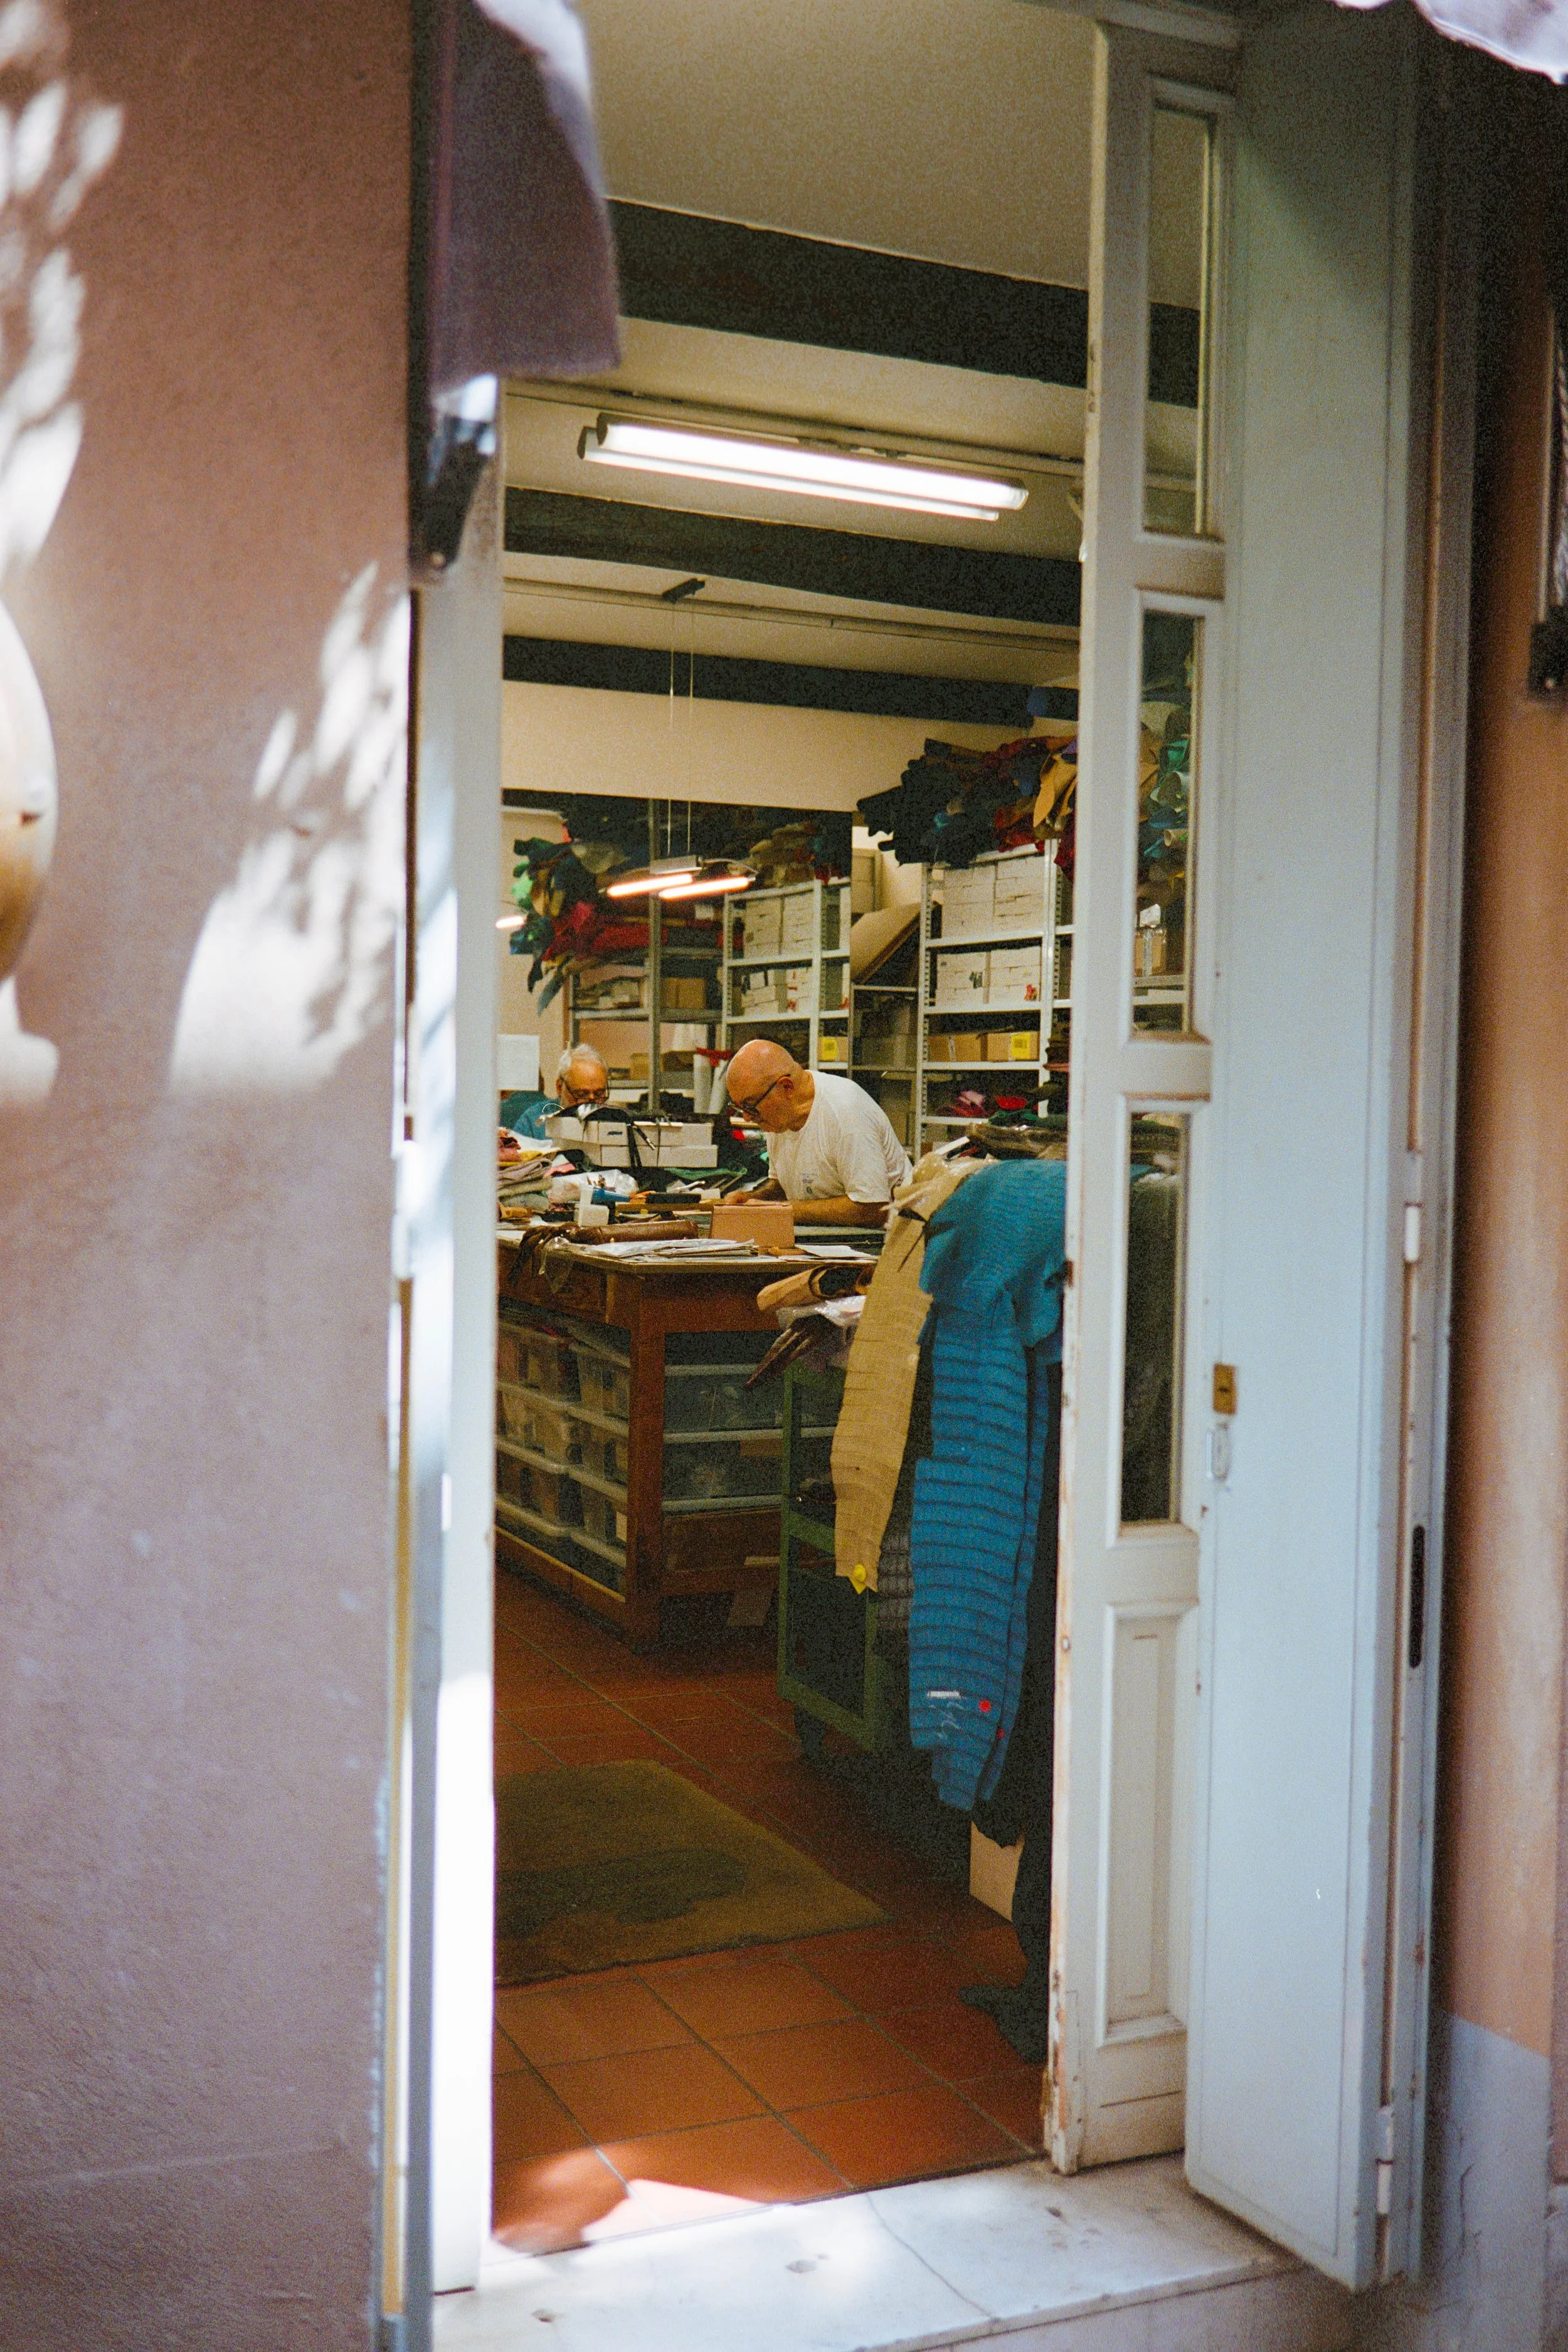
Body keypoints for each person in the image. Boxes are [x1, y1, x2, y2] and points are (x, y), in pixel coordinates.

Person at [725, 1037, 911, 1227]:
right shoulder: (778, 1116)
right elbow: (785, 1187)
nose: (747, 1117)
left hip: (885, 1240)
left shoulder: (846, 1111)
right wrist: (752, 1200)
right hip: (829, 1237)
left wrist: (778, 1211)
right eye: (740, 1107)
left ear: (786, 1087)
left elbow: (872, 1210)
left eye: (750, 1106)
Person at [499, 1042, 610, 1142]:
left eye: (599, 1094)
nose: (590, 1104)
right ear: (559, 1087)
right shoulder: (533, 1122)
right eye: (581, 1094)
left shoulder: (615, 1120)